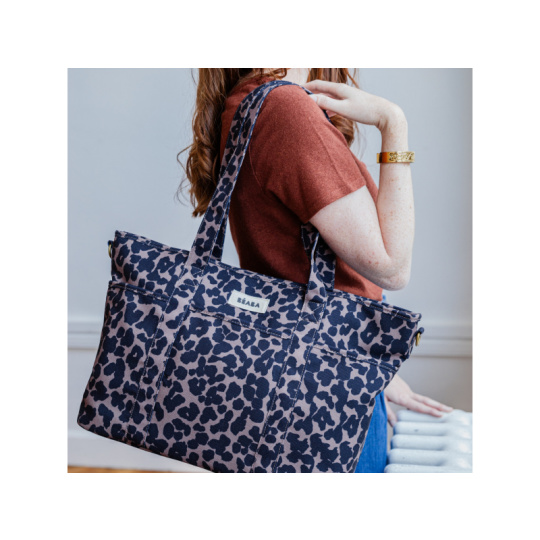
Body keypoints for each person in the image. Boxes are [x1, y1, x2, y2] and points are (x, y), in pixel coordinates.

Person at [179, 68, 453, 473]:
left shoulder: (247, 100)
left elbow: (282, 269)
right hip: (326, 398)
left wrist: (368, 369)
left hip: (307, 382)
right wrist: (393, 123)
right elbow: (393, 267)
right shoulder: (285, 110)